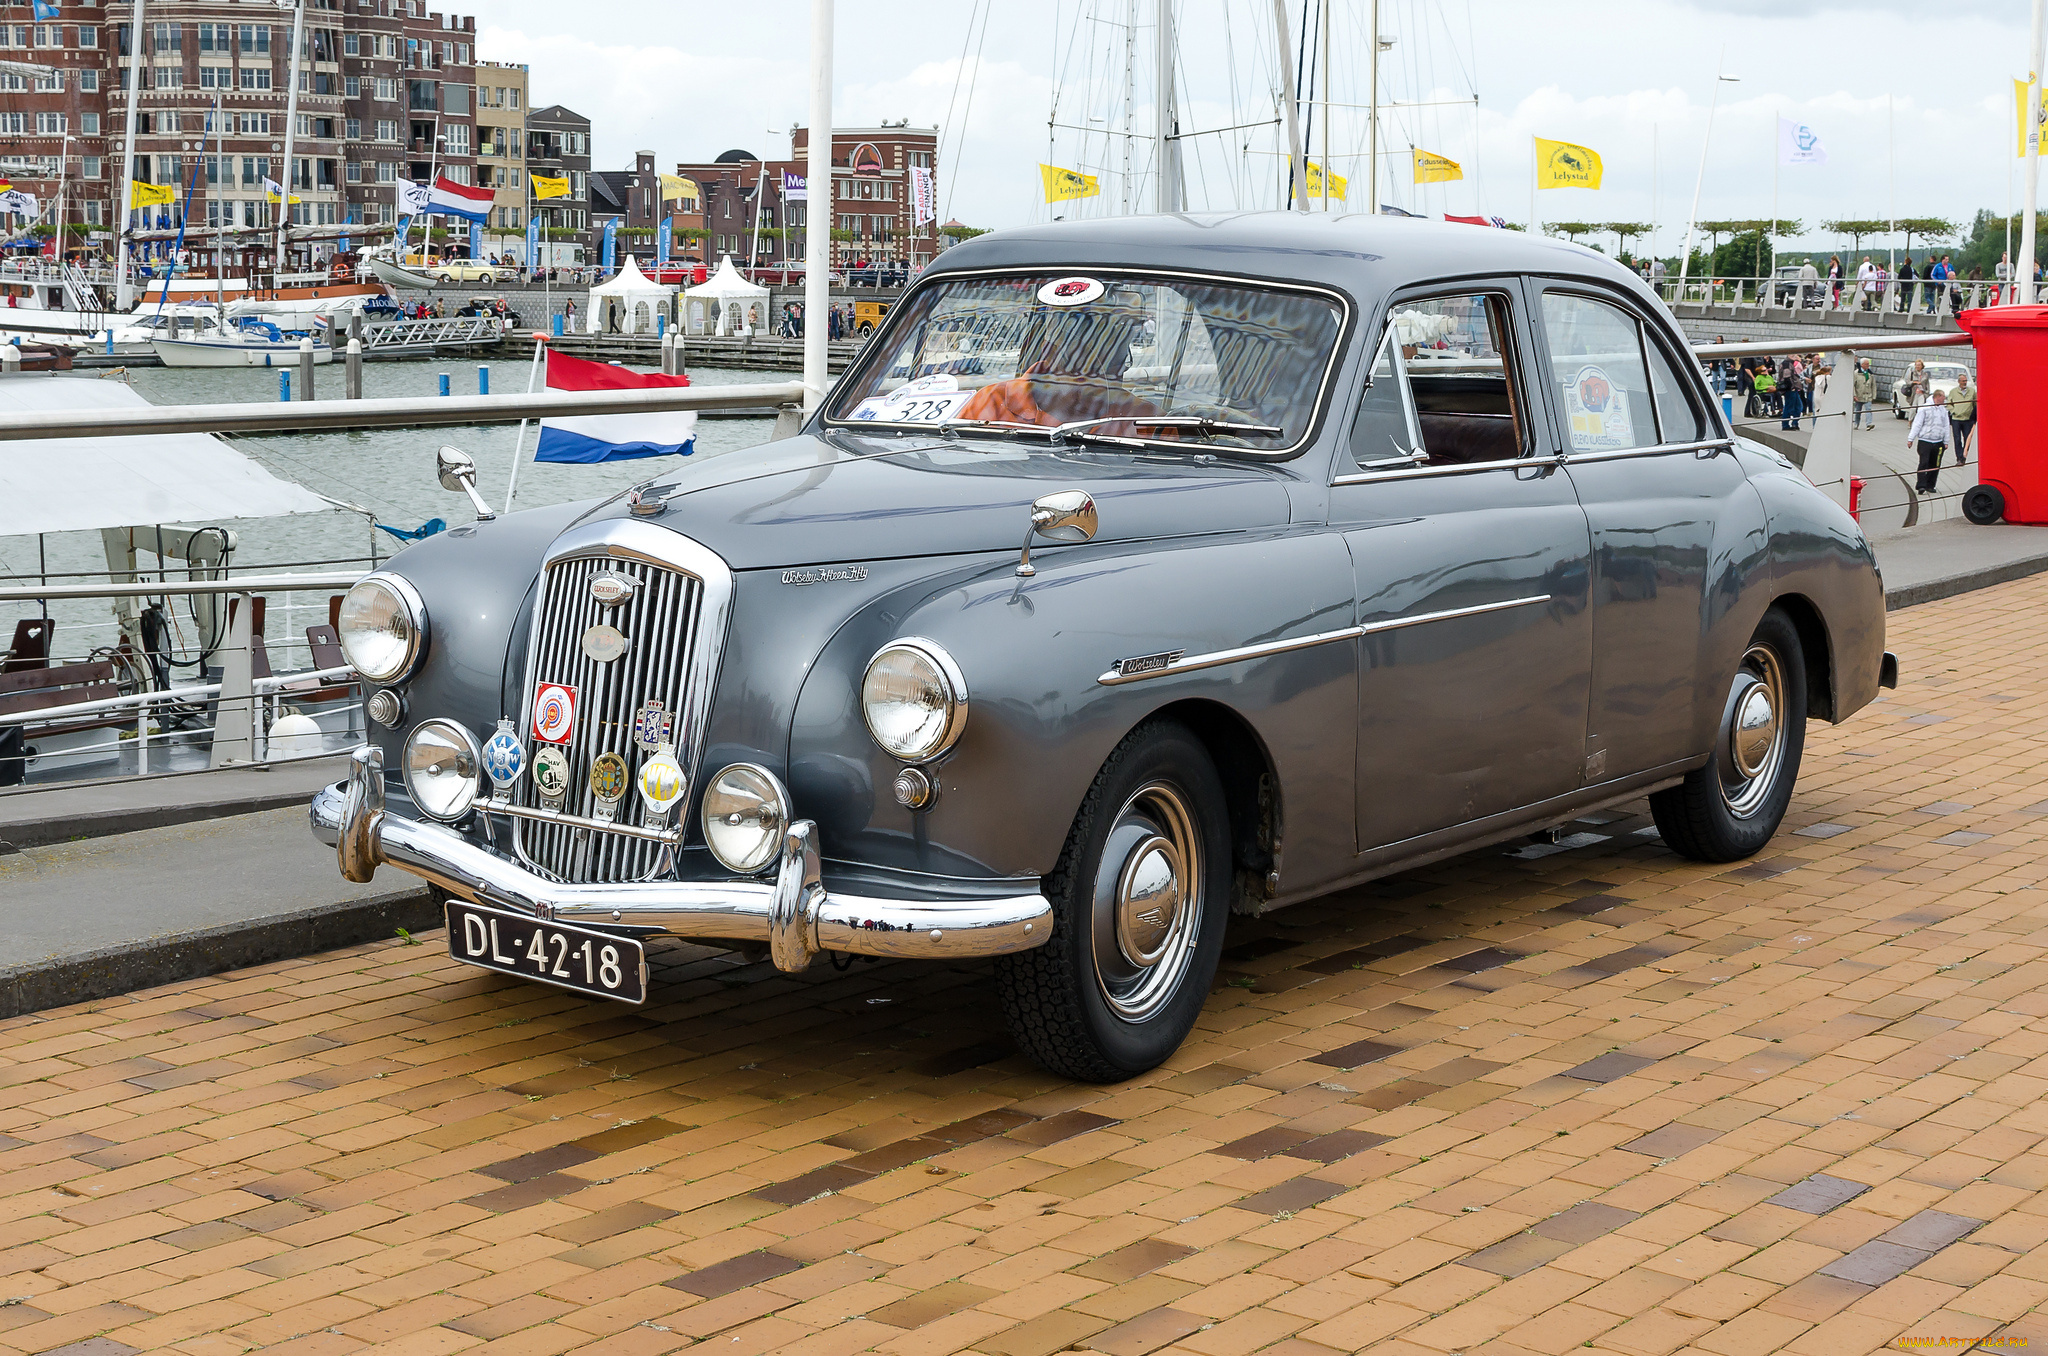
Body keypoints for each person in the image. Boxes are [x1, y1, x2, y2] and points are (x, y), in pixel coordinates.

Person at [1909, 389, 1951, 494]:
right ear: (1937, 397)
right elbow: (1917, 424)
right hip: (1925, 440)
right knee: (1924, 463)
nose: (1944, 400)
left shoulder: (1943, 410)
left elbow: (1946, 426)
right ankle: (1921, 485)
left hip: (1938, 441)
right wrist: (1911, 438)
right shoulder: (1925, 408)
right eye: (1943, 398)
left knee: (1935, 464)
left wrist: (1946, 441)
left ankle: (1930, 485)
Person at [1947, 370, 1976, 464]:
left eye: (1965, 381)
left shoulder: (1972, 391)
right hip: (1956, 419)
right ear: (1959, 382)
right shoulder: (1953, 391)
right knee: (1957, 439)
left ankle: (1965, 455)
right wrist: (1953, 411)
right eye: (1962, 381)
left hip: (1968, 419)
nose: (1964, 383)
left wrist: (1974, 415)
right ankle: (1959, 458)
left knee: (1968, 438)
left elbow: (1975, 404)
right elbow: (1949, 404)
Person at [1778, 355, 1808, 431]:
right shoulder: (1787, 364)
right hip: (1791, 389)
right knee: (1789, 406)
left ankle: (1794, 423)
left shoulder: (1790, 363)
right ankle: (1786, 425)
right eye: (1793, 355)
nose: (1795, 356)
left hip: (1794, 388)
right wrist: (1792, 387)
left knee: (1798, 406)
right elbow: (1787, 376)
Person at [1851, 357, 1878, 431]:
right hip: (1859, 395)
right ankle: (1856, 423)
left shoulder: (1870, 373)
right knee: (1858, 410)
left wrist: (1874, 395)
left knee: (1868, 409)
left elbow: (1873, 385)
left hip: (1868, 395)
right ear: (1862, 365)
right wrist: (1854, 395)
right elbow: (1852, 385)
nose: (1868, 366)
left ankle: (1869, 424)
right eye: (1866, 364)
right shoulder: (1856, 373)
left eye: (1868, 364)